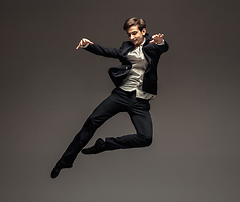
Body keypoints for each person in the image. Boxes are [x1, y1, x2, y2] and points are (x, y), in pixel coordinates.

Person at [51, 17, 169, 178]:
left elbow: (163, 48)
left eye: (134, 33)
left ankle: (105, 145)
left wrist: (161, 42)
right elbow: (107, 51)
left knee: (145, 138)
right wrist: (88, 45)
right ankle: (65, 161)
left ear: (143, 31)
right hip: (121, 95)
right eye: (129, 35)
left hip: (139, 101)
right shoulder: (126, 47)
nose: (132, 37)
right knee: (91, 122)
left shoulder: (153, 45)